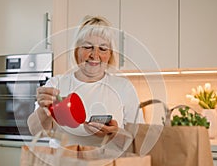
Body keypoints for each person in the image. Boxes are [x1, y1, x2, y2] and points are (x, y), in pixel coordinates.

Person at [27, 15, 144, 149]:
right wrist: (44, 110)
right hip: (64, 165)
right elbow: (35, 131)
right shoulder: (56, 84)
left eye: (103, 48)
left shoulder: (124, 87)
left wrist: (114, 134)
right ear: (77, 50)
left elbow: (138, 141)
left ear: (110, 54)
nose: (95, 55)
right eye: (88, 47)